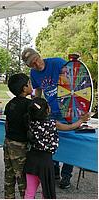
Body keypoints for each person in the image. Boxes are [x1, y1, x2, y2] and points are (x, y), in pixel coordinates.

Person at [22, 48, 74, 189]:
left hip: (68, 110)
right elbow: (38, 89)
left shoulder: (57, 63)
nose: (37, 65)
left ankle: (67, 176)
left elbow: (75, 73)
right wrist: (35, 104)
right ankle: (55, 171)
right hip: (51, 111)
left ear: (39, 55)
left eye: (37, 60)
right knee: (51, 142)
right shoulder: (33, 73)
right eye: (32, 64)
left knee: (70, 144)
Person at [24, 97, 90, 199]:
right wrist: (81, 119)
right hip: (45, 163)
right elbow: (70, 127)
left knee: (29, 193)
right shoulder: (52, 124)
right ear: (47, 110)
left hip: (31, 160)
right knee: (46, 193)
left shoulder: (29, 122)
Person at [4, 73, 33, 199]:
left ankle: (9, 197)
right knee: (22, 177)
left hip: (8, 142)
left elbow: (7, 124)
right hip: (20, 146)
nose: (32, 85)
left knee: (9, 175)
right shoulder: (29, 105)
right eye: (30, 83)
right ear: (24, 88)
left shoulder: (10, 104)